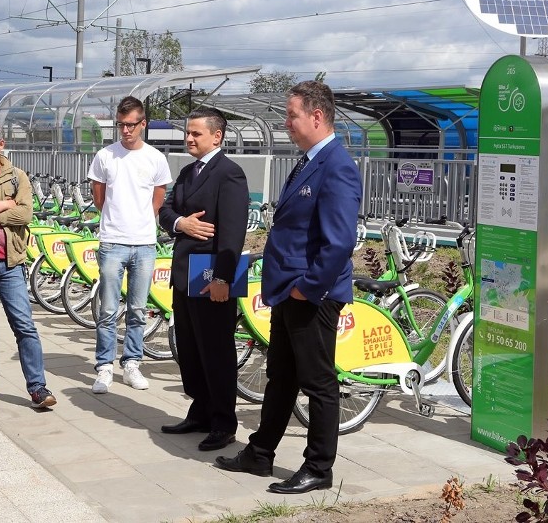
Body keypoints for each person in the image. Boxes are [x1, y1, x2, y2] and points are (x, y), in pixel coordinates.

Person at [215, 81, 362, 493]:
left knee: (318, 383)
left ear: (317, 117)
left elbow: (339, 243)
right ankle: (261, 453)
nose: (286, 123)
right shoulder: (308, 161)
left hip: (311, 295)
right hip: (289, 291)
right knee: (280, 376)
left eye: (292, 115)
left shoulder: (337, 166)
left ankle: (319, 468)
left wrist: (308, 288)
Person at [158, 107, 249, 452]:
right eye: (188, 132)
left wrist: (224, 278)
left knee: (216, 350)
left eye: (196, 133)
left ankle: (224, 422)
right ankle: (201, 410)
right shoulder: (186, 172)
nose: (189, 138)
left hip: (213, 274)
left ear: (217, 136)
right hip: (184, 273)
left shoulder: (230, 174)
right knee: (191, 348)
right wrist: (181, 224)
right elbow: (166, 210)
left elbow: (233, 232)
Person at [0, 119, 56, 412]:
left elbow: (26, 214)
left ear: (1, 145)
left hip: (11, 263)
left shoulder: (17, 176)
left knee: (25, 326)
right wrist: (4, 205)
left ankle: (37, 387)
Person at [87, 96, 172, 394]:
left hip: (145, 244)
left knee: (138, 308)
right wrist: (117, 221)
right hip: (112, 241)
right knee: (108, 309)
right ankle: (104, 366)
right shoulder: (105, 156)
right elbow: (100, 198)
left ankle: (132, 362)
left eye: (131, 125)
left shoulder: (155, 158)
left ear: (143, 124)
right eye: (121, 125)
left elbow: (158, 198)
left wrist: (141, 222)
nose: (125, 130)